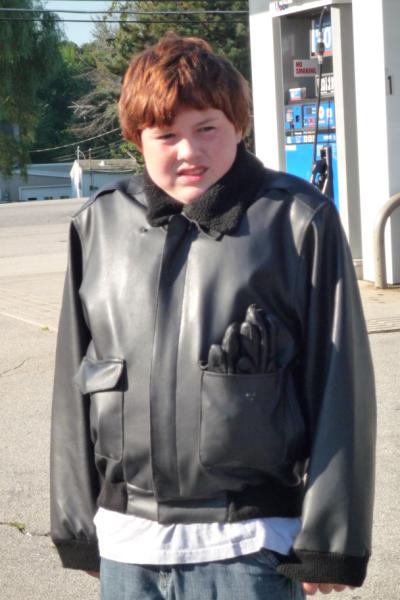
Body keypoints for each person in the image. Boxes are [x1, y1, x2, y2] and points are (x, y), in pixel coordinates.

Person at [50, 35, 376, 599]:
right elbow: (71, 381)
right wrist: (77, 527)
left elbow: (340, 388)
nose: (188, 151)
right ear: (137, 137)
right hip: (127, 549)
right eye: (165, 135)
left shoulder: (297, 222)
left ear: (238, 124)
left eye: (207, 128)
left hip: (250, 548)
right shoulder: (99, 225)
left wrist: (331, 539)